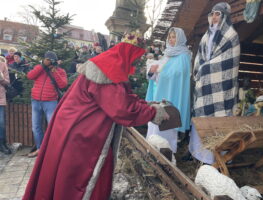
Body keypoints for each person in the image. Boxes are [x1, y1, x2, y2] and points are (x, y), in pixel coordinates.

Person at [22, 32, 169, 200]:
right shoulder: (108, 72)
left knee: (62, 176)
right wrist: (153, 112)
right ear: (127, 54)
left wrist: (148, 105)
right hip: (80, 135)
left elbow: (125, 96)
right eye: (134, 59)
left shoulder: (107, 65)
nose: (134, 64)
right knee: (76, 181)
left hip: (70, 127)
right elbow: (122, 109)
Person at [187, 2, 240, 163]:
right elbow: (200, 58)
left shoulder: (231, 35)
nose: (214, 17)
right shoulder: (206, 36)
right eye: (213, 14)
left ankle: (216, 157)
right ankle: (199, 153)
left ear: (224, 17)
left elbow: (228, 61)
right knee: (202, 118)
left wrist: (205, 69)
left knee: (219, 119)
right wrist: (200, 69)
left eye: (218, 14)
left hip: (222, 87)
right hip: (204, 86)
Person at [146, 27, 191, 154]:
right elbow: (156, 75)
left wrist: (162, 72)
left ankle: (167, 153)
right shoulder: (167, 55)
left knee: (167, 125)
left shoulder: (184, 56)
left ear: (180, 38)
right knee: (155, 123)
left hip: (173, 95)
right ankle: (152, 149)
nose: (171, 40)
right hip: (159, 93)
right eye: (169, 37)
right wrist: (152, 71)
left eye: (174, 37)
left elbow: (180, 75)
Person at [26, 51, 68, 158]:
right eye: (47, 59)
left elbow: (63, 85)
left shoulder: (60, 71)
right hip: (36, 100)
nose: (49, 62)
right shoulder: (39, 68)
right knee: (36, 126)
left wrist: (55, 72)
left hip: (50, 102)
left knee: (53, 126)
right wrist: (42, 66)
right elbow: (30, 76)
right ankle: (40, 149)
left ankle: (52, 150)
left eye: (51, 60)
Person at [0, 57, 11, 154]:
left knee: (1, 122)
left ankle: (2, 143)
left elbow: (7, 81)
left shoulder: (2, 64)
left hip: (0, 98)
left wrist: (1, 79)